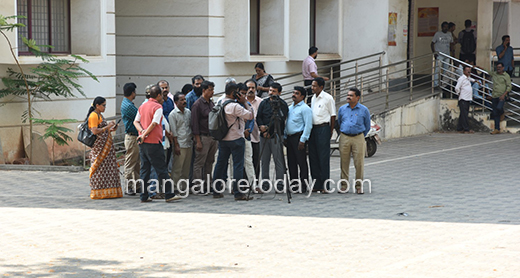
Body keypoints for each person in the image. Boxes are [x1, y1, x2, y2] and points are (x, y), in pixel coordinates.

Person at [134, 85, 181, 203]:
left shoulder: (143, 106)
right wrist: (145, 134)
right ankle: (169, 194)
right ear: (158, 95)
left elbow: (136, 121)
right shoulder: (157, 107)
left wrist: (142, 132)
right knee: (161, 169)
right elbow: (155, 123)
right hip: (154, 142)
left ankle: (144, 196)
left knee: (145, 170)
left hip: (143, 143)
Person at [212, 83, 255, 201]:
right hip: (236, 139)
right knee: (238, 166)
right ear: (233, 93)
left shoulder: (220, 102)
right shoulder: (235, 106)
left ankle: (216, 190)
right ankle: (238, 193)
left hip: (223, 139)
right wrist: (245, 102)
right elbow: (250, 115)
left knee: (220, 164)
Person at [86, 96, 123, 199]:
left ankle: (110, 191)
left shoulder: (100, 115)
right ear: (97, 106)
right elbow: (95, 131)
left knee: (108, 170)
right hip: (99, 149)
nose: (105, 107)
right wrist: (107, 127)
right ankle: (98, 192)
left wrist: (110, 129)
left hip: (106, 148)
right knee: (98, 169)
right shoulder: (93, 116)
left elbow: (102, 131)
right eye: (103, 105)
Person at [337, 88, 371, 194]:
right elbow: (339, 122)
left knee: (359, 163)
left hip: (358, 137)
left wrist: (361, 135)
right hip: (344, 137)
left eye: (351, 95)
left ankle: (359, 186)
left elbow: (367, 125)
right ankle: (344, 186)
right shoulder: (342, 109)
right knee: (344, 162)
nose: (348, 97)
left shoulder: (364, 110)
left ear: (357, 98)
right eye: (348, 95)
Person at [256, 82, 289, 191]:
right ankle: (265, 183)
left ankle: (280, 184)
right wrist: (262, 129)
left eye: (274, 91)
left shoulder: (282, 105)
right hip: (263, 135)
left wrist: (269, 129)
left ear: (279, 93)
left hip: (276, 135)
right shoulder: (264, 103)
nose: (271, 93)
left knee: (278, 160)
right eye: (270, 91)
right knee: (264, 161)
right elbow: (258, 117)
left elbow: (281, 119)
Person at [308, 77, 336, 192]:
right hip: (313, 129)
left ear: (321, 87)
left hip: (323, 128)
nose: (312, 88)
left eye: (315, 86)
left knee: (323, 158)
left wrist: (330, 131)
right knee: (313, 157)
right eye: (312, 85)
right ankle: (316, 184)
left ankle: (325, 185)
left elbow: (333, 115)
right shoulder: (313, 98)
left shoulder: (328, 98)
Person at [191, 80, 218, 193]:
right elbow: (194, 124)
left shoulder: (211, 103)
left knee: (210, 161)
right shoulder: (197, 104)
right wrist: (198, 140)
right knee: (199, 162)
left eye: (212, 89)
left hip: (212, 137)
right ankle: (197, 186)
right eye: (210, 90)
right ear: (204, 90)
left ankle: (208, 184)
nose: (212, 92)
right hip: (203, 137)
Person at [284, 86, 313, 193]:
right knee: (291, 162)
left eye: (297, 93)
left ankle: (304, 185)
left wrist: (303, 140)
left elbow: (308, 125)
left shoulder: (305, 109)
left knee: (301, 162)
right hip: (290, 138)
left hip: (299, 138)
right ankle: (294, 185)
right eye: (293, 92)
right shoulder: (290, 108)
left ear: (302, 96)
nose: (294, 95)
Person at [168, 92, 192, 193]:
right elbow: (173, 131)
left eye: (185, 99)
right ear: (176, 102)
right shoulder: (173, 114)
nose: (184, 101)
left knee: (186, 167)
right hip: (180, 144)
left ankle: (183, 187)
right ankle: (175, 187)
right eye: (181, 100)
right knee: (178, 167)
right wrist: (176, 145)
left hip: (188, 143)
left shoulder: (188, 112)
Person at [121, 83, 140, 195]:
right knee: (130, 164)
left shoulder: (126, 103)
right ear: (132, 92)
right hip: (132, 137)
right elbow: (139, 116)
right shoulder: (128, 106)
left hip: (133, 137)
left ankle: (137, 185)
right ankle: (128, 187)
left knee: (137, 163)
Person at [245, 79, 263, 179]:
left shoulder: (261, 102)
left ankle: (255, 183)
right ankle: (243, 184)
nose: (251, 90)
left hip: (256, 137)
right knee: (244, 162)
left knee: (256, 161)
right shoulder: (241, 102)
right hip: (244, 137)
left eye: (253, 88)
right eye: (248, 88)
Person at [489, 62, 512, 134]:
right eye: (497, 67)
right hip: (494, 95)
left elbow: (509, 86)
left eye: (499, 67)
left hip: (502, 96)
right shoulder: (494, 74)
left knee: (499, 108)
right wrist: (477, 66)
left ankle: (502, 113)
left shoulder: (506, 76)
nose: (498, 69)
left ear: (503, 68)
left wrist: (504, 94)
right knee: (495, 112)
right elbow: (487, 71)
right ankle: (496, 129)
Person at [431, 22, 453, 88]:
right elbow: (432, 44)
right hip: (439, 55)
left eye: (447, 27)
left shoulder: (449, 34)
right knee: (437, 70)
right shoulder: (437, 34)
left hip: (447, 55)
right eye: (444, 27)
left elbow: (451, 43)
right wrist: (434, 53)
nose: (445, 28)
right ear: (441, 27)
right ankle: (436, 84)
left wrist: (452, 53)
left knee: (446, 70)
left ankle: (444, 84)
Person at [455, 65, 475, 134]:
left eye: (469, 71)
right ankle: (466, 129)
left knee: (463, 114)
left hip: (468, 99)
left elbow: (472, 79)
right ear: (464, 71)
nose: (469, 72)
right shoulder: (461, 78)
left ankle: (459, 128)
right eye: (467, 71)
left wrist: (476, 81)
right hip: (463, 99)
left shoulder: (468, 78)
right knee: (464, 115)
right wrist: (459, 93)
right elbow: (457, 88)